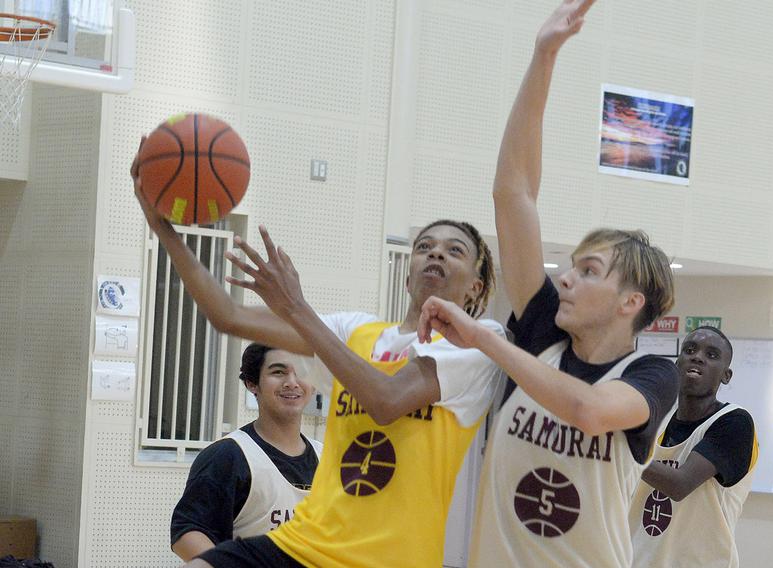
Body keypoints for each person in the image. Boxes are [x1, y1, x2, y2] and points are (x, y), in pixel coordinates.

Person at [131, 143, 505, 568]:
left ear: (475, 287)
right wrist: (163, 229)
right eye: (425, 246)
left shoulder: (479, 345)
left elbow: (385, 402)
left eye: (454, 250)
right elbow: (227, 314)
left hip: (389, 559)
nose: (436, 252)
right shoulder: (356, 330)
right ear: (408, 273)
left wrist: (297, 308)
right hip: (305, 543)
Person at [417, 1, 679, 566]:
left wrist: (488, 339)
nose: (566, 277)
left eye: (589, 272)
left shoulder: (653, 375)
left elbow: (587, 410)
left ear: (629, 302)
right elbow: (514, 193)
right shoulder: (542, 329)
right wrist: (544, 56)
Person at [170, 343, 323, 561]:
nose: (292, 382)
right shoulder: (227, 455)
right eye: (278, 372)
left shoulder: (329, 459)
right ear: (252, 383)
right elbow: (186, 533)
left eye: (302, 372)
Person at [628, 326, 758, 568]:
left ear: (726, 375)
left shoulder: (735, 422)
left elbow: (680, 484)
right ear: (677, 364)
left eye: (711, 355)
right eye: (689, 350)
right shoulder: (657, 421)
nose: (697, 357)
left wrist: (623, 449)